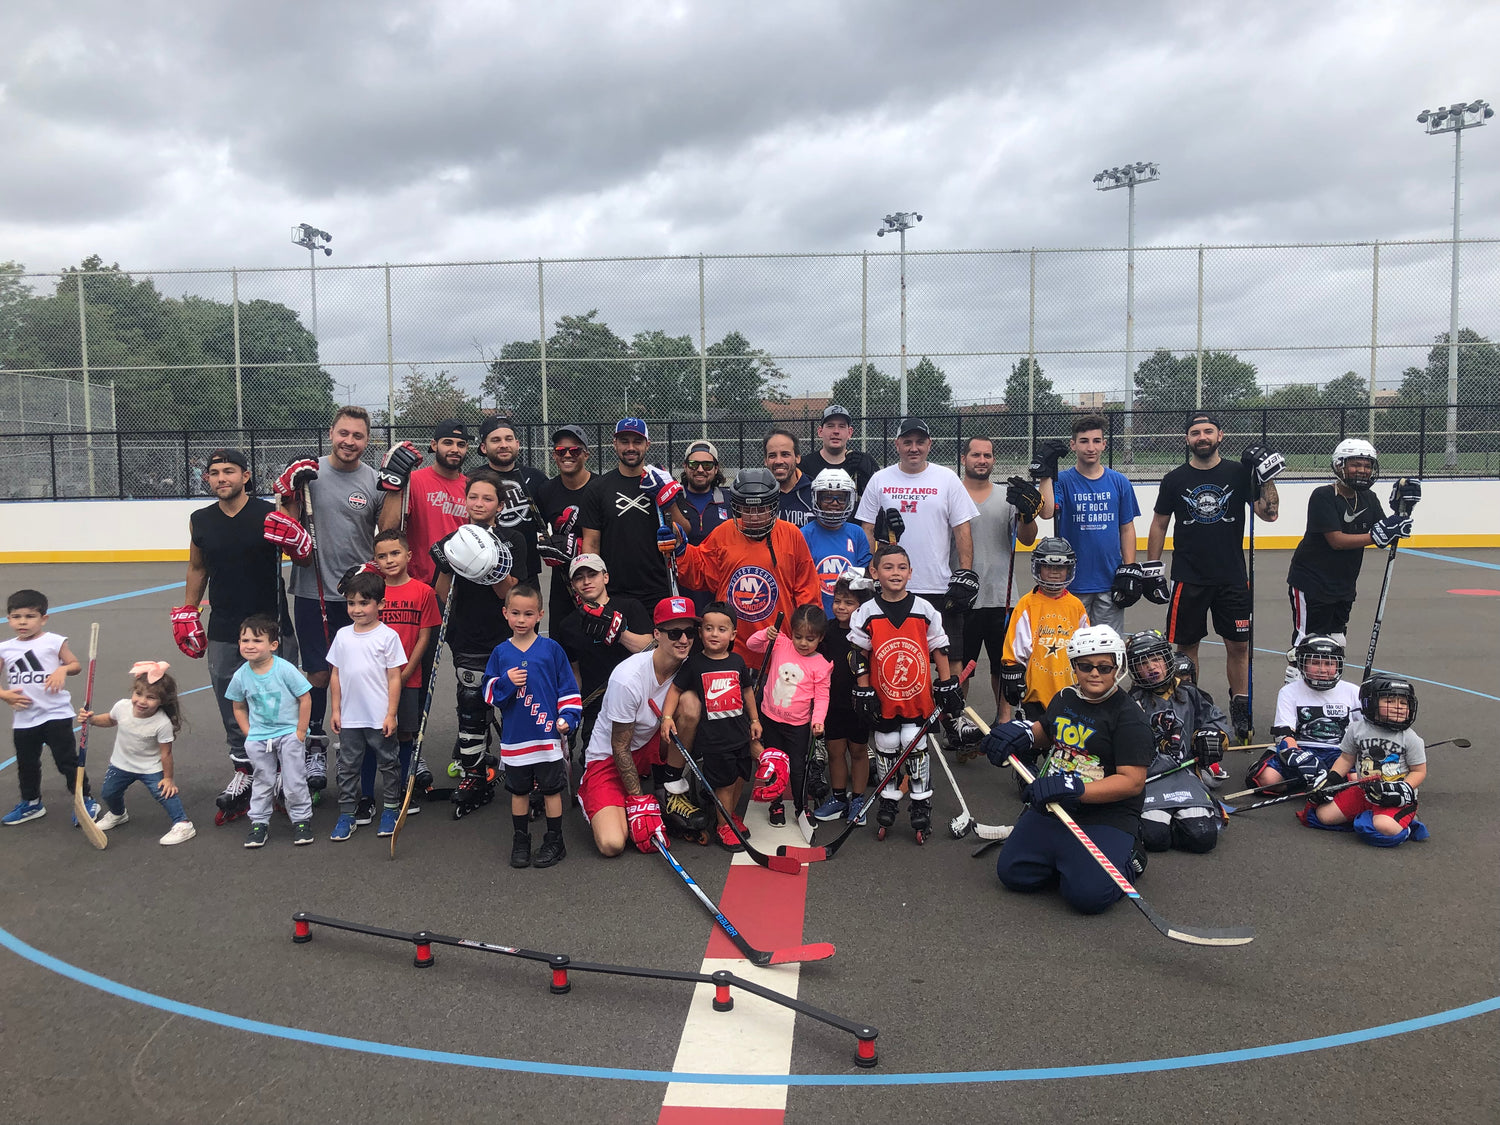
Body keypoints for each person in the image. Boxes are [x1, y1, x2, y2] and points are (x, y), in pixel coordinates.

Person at [979, 625, 1152, 914]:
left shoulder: (1129, 717)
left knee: (1088, 897)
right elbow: (1047, 731)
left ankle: (1127, 855)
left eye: (1104, 666)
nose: (1094, 673)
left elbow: (1132, 782)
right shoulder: (1065, 698)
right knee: (1013, 874)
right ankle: (1070, 858)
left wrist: (1076, 789)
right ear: (1075, 666)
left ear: (1117, 667)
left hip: (1106, 814)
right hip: (1055, 803)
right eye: (1085, 666)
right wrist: (1022, 736)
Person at [1143, 411, 1282, 743]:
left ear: (1221, 436)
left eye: (1208, 431)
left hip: (1232, 576)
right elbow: (1159, 523)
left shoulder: (1238, 472)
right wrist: (1152, 568)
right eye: (1195, 432)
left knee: (1238, 645)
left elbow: (1270, 514)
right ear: (1187, 440)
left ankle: (1240, 707)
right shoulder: (1174, 478)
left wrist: (1264, 476)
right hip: (1189, 577)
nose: (1201, 437)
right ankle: (1189, 708)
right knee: (1186, 647)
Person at [175, 447, 294, 825]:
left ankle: (282, 771)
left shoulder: (268, 513)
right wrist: (188, 610)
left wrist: (297, 540)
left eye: (229, 471)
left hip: (270, 622)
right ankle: (245, 769)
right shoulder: (201, 520)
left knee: (279, 697)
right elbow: (197, 567)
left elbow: (303, 556)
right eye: (214, 472)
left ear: (245, 476)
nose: (221, 478)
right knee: (232, 698)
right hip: (226, 626)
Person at [273, 407, 382, 785]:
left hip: (359, 596)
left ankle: (357, 743)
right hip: (311, 591)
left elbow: (385, 536)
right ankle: (315, 744)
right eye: (343, 433)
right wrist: (287, 494)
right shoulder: (309, 474)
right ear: (331, 433)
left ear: (367, 440)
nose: (349, 441)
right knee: (318, 673)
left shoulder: (374, 481)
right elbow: (286, 522)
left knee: (360, 675)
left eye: (358, 436)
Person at [848, 544, 965, 843]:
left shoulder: (925, 609)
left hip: (917, 696)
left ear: (911, 573)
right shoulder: (866, 612)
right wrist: (863, 690)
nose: (895, 573)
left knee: (914, 743)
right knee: (886, 742)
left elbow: (939, 647)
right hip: (884, 696)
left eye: (902, 568)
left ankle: (920, 798)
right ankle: (888, 796)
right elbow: (858, 655)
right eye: (888, 567)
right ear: (875, 572)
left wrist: (947, 682)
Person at [576, 597, 709, 857]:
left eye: (690, 632)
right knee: (612, 844)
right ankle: (624, 799)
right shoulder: (628, 678)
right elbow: (619, 746)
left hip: (650, 744)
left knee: (691, 703)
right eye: (674, 633)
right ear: (657, 634)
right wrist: (638, 801)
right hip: (611, 758)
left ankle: (670, 790)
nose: (684, 640)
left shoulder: (688, 667)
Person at [854, 417, 980, 680]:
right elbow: (865, 529)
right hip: (891, 586)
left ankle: (951, 716)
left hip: (938, 586)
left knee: (950, 656)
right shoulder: (880, 479)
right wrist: (871, 573)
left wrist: (965, 574)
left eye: (920, 442)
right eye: (907, 442)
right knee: (891, 654)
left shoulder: (947, 478)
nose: (914, 448)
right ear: (897, 444)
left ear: (929, 444)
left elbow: (962, 530)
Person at [1284, 442, 1416, 681]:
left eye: (1367, 465)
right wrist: (1378, 535)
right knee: (1306, 642)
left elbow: (1384, 533)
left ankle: (1328, 692)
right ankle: (1294, 698)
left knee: (1336, 641)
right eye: (1356, 464)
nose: (1362, 470)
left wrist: (1402, 513)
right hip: (1311, 582)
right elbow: (1336, 540)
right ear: (1339, 465)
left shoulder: (1369, 498)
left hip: (1343, 584)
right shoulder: (1323, 496)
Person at [428, 471, 519, 818]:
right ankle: (474, 773)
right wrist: (447, 565)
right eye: (474, 498)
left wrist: (488, 566)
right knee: (471, 707)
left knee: (515, 706)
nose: (479, 504)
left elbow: (513, 595)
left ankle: (526, 770)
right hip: (467, 638)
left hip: (508, 639)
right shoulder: (453, 539)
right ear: (465, 501)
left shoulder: (512, 540)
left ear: (499, 504)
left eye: (487, 499)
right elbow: (440, 596)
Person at [482, 584, 582, 869]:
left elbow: (568, 689)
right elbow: (488, 692)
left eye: (528, 613)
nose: (521, 619)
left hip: (547, 737)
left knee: (551, 790)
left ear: (540, 614)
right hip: (516, 740)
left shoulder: (551, 649)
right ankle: (520, 839)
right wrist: (506, 682)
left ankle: (555, 840)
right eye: (515, 613)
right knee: (519, 791)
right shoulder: (501, 653)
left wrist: (568, 717)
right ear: (505, 614)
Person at [659, 601, 762, 850]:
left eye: (721, 629)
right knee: (723, 784)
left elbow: (747, 691)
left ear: (733, 634)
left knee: (739, 778)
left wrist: (755, 720)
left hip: (739, 734)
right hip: (715, 740)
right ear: (701, 632)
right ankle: (723, 825)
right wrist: (667, 717)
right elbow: (675, 689)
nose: (714, 634)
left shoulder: (737, 662)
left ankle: (729, 815)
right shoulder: (694, 664)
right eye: (708, 628)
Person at [1034, 415, 1143, 635]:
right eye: (1084, 441)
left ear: (1104, 444)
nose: (1090, 447)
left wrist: (1128, 568)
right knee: (1070, 650)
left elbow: (1126, 527)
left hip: (1109, 581)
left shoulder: (1118, 481)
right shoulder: (1062, 481)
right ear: (1073, 445)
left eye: (1096, 440)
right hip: (1071, 582)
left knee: (1108, 649)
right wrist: (1045, 474)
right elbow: (1046, 513)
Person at [958, 436, 1039, 725]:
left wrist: (1028, 514)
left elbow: (1027, 539)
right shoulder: (951, 493)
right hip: (961, 597)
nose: (982, 460)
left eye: (988, 455)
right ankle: (958, 721)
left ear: (993, 460)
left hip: (1001, 598)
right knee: (960, 666)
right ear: (964, 458)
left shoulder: (1008, 498)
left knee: (1002, 667)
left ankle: (1004, 721)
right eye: (976, 455)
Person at [1125, 631, 1228, 853]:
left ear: (1167, 660)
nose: (1151, 667)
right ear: (1134, 669)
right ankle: (1166, 825)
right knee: (1155, 839)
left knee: (1202, 838)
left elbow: (1216, 721)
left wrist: (1211, 736)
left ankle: (1184, 823)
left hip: (1186, 775)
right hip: (1149, 779)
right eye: (1143, 663)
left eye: (1156, 659)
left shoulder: (1190, 693)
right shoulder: (1129, 703)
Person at [1, 589, 95, 826]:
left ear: (43, 618)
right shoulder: (5, 648)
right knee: (27, 763)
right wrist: (5, 695)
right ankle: (31, 803)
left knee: (67, 762)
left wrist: (61, 669)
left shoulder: (53, 641)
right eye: (16, 616)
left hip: (56, 714)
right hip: (24, 718)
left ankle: (84, 800)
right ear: (8, 618)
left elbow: (74, 665)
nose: (22, 622)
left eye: (30, 616)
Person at [325, 570, 407, 842]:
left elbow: (394, 677)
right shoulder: (342, 636)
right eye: (351, 603)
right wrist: (336, 710)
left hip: (378, 716)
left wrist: (391, 713)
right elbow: (335, 674)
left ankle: (391, 809)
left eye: (363, 603)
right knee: (347, 767)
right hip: (350, 717)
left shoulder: (388, 636)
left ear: (380, 604)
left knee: (388, 761)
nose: (356, 609)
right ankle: (347, 813)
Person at [1300, 674, 1429, 845]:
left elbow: (1419, 771)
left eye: (1403, 703)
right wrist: (1331, 780)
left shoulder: (1410, 738)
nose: (1398, 707)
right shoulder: (1356, 730)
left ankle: (1407, 823)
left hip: (1393, 796)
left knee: (1385, 828)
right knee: (1323, 816)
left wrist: (1403, 787)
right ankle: (1370, 816)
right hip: (1363, 790)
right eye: (1389, 702)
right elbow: (1346, 759)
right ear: (1370, 703)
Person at [80, 661, 194, 845]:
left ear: (162, 701)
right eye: (138, 694)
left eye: (150, 698)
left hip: (150, 767)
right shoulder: (122, 707)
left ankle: (183, 823)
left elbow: (166, 754)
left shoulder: (162, 723)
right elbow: (110, 720)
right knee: (109, 793)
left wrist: (168, 778)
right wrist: (91, 720)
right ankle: (118, 814)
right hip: (121, 763)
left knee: (164, 792)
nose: (142, 701)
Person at [225, 614, 314, 848]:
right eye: (245, 640)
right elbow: (238, 706)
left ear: (273, 645)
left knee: (294, 780)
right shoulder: (241, 675)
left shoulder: (284, 669)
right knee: (263, 780)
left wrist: (300, 732)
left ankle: (302, 820)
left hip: (288, 734)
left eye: (257, 640)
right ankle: (259, 823)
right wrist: (249, 733)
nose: (250, 645)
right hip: (259, 737)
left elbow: (305, 697)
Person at [552, 554, 655, 754]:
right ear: (573, 585)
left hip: (637, 704)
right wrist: (570, 708)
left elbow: (651, 649)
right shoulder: (567, 625)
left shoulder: (630, 607)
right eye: (579, 578)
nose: (586, 581)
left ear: (605, 577)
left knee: (641, 769)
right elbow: (575, 674)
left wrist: (620, 633)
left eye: (592, 574)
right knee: (594, 769)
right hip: (596, 709)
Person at [368, 530, 439, 815]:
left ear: (409, 555)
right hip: (376, 681)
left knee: (405, 734)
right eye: (382, 556)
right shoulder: (373, 591)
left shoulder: (424, 592)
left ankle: (401, 789)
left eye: (395, 553)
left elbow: (424, 638)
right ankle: (370, 794)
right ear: (375, 561)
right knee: (375, 735)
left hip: (409, 677)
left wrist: (406, 672)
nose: (389, 560)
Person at [579, 418, 685, 605]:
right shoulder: (598, 488)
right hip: (613, 590)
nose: (630, 447)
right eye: (624, 441)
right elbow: (591, 543)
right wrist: (594, 590)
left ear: (647, 444)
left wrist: (667, 500)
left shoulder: (664, 482)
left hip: (658, 587)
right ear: (614, 444)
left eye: (637, 442)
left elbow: (685, 531)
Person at [746, 603, 832, 828]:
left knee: (797, 768)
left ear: (820, 638)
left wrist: (818, 721)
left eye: (810, 639)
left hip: (798, 726)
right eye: (798, 636)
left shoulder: (821, 665)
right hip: (770, 718)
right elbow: (751, 644)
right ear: (790, 633)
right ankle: (776, 803)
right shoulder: (780, 644)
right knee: (774, 765)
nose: (803, 643)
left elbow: (822, 697)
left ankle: (801, 806)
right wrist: (766, 633)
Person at [1246, 635, 1361, 795]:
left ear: (1338, 665)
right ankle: (1305, 783)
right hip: (1301, 749)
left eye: (1329, 663)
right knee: (1266, 779)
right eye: (1315, 662)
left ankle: (1326, 783)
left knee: (1359, 780)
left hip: (1339, 752)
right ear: (1302, 663)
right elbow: (1284, 735)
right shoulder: (1289, 691)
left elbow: (1365, 732)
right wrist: (1302, 758)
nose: (1322, 669)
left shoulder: (1353, 692)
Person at [998, 538, 1091, 721]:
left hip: (1070, 693)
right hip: (1035, 696)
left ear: (1069, 569)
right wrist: (1011, 671)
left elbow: (1086, 647)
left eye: (1060, 568)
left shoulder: (1076, 606)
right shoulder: (1027, 604)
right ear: (1038, 567)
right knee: (1035, 743)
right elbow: (1015, 648)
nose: (1054, 573)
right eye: (1048, 567)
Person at [377, 419, 472, 586]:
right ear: (434, 445)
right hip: (418, 582)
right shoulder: (414, 481)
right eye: (448, 443)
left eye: (461, 444)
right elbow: (387, 529)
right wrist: (396, 484)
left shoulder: (472, 488)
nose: (455, 449)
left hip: (458, 583)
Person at [812, 573, 875, 824]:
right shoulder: (826, 630)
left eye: (848, 603)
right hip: (831, 702)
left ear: (861, 606)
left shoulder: (868, 632)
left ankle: (858, 799)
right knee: (834, 750)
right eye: (837, 601)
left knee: (858, 751)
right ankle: (838, 798)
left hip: (860, 703)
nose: (840, 607)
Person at [534, 424, 599, 627]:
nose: (567, 455)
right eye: (561, 451)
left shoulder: (600, 487)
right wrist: (548, 546)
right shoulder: (546, 491)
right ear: (554, 456)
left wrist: (577, 547)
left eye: (575, 450)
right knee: (562, 639)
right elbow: (539, 533)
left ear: (586, 455)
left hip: (596, 579)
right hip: (563, 580)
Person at [478, 415, 547, 583]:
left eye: (508, 439)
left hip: (527, 572)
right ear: (484, 447)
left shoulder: (536, 478)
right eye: (495, 440)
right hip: (483, 571)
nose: (503, 445)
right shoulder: (473, 479)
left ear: (517, 443)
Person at [801, 468, 871, 616]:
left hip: (849, 618)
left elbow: (864, 578)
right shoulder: (804, 535)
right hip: (816, 616)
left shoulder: (857, 533)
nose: (834, 503)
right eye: (827, 497)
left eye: (841, 497)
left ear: (849, 499)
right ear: (816, 499)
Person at [675, 439, 732, 613]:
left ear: (716, 468)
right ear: (685, 467)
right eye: (694, 464)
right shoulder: (673, 500)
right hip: (681, 586)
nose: (700, 470)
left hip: (718, 589)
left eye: (707, 465)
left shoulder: (730, 501)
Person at [800, 403, 880, 493]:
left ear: (850, 432)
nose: (836, 431)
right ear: (820, 431)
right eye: (830, 426)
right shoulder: (805, 465)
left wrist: (869, 476)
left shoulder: (864, 461)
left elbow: (880, 495)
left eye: (841, 426)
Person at [764, 428, 815, 528]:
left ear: (797, 458)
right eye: (772, 455)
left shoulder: (816, 492)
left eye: (785, 454)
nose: (779, 461)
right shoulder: (755, 493)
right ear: (765, 461)